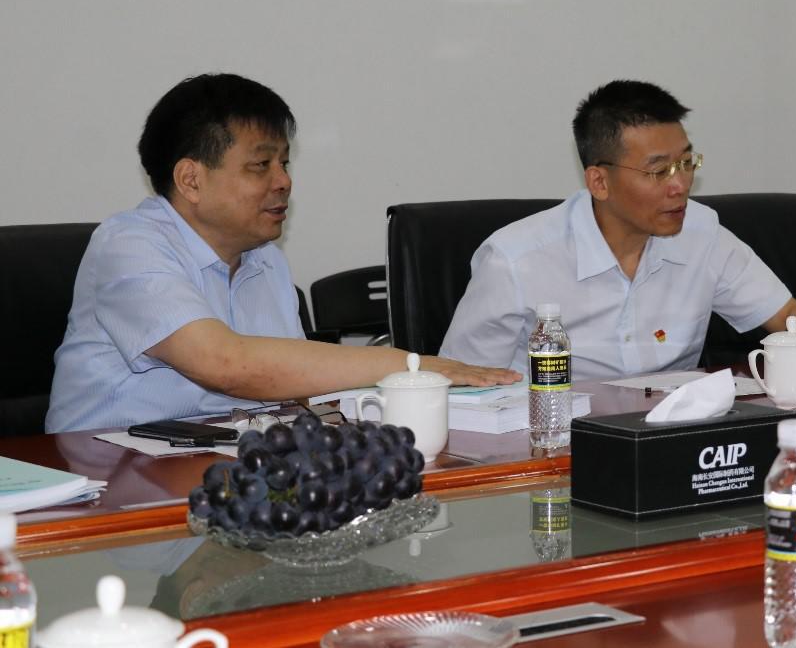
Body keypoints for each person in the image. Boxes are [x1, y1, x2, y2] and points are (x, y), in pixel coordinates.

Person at [46, 73, 518, 433]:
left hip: (226, 471)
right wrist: (412, 366)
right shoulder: (128, 245)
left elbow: (292, 385)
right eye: (261, 165)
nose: (284, 181)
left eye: (285, 163)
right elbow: (228, 366)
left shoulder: (263, 257)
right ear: (191, 179)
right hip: (106, 479)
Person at [440, 79, 796, 380]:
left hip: (670, 434)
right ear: (599, 182)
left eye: (686, 163)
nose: (680, 185)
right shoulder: (515, 261)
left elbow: (790, 317)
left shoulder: (703, 234)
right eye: (659, 171)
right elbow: (463, 383)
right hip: (553, 436)